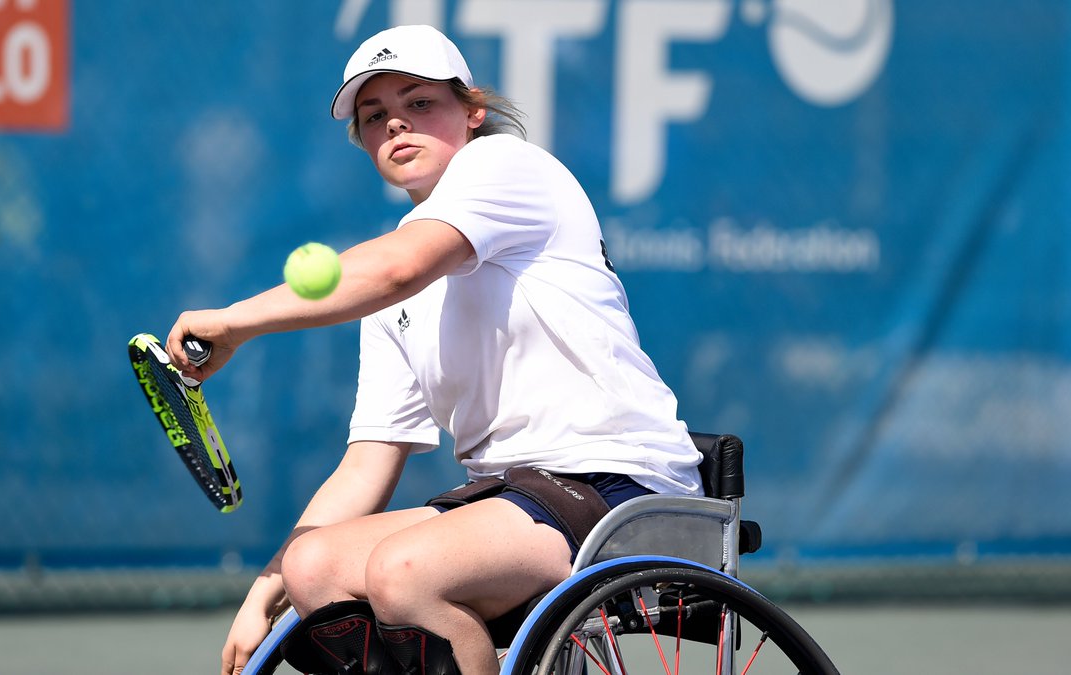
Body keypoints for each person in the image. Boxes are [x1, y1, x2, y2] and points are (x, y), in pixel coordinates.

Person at [166, 24, 702, 675]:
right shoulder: (391, 280)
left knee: (404, 573)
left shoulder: (505, 167)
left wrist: (235, 323)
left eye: (419, 103)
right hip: (504, 498)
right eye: (374, 116)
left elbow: (399, 266)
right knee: (316, 568)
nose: (395, 125)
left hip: (616, 485)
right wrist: (264, 591)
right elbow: (367, 466)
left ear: (472, 111)